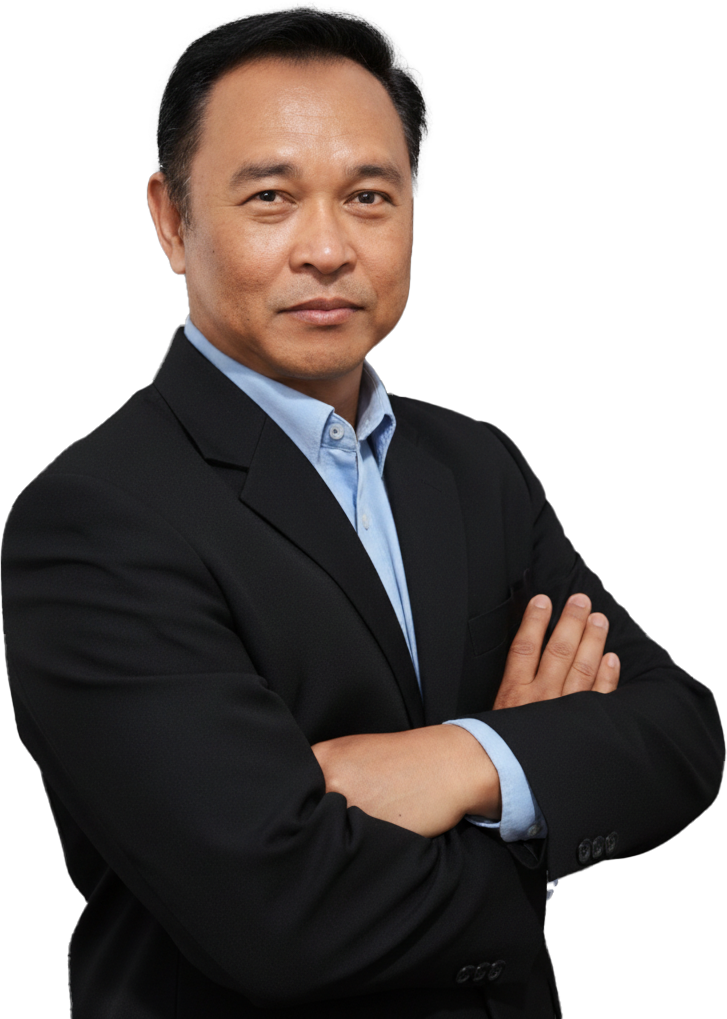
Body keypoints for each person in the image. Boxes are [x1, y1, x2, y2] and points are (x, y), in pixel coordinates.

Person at [1, 9, 722, 1019]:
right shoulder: (93, 522)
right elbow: (280, 915)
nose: (328, 248)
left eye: (369, 196)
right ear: (171, 221)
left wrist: (459, 757)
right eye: (270, 196)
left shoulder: (474, 465)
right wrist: (535, 796)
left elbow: (678, 733)